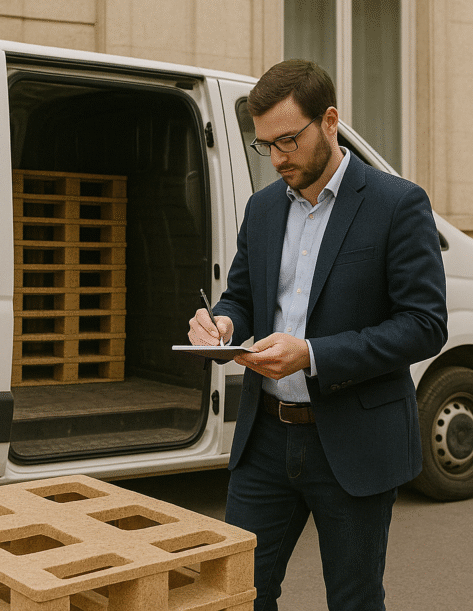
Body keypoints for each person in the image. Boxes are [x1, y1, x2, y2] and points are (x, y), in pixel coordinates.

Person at [187, 59, 447, 611]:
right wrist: (225, 323)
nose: (278, 158)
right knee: (238, 595)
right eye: (266, 145)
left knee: (353, 601)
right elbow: (242, 297)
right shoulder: (262, 209)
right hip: (264, 440)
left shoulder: (397, 204)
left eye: (288, 140)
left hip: (354, 442)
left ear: (330, 121)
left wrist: (312, 354)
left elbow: (425, 325)